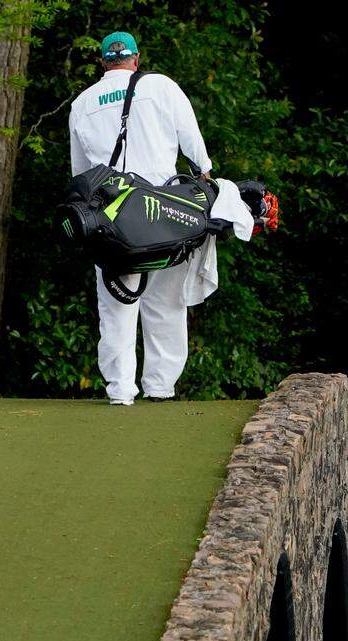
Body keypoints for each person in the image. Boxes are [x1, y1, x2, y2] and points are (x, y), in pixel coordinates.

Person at [68, 30, 213, 406]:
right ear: (136, 59)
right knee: (164, 300)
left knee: (116, 304)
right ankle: (161, 386)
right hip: (162, 210)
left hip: (112, 215)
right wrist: (206, 180)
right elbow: (192, 142)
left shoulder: (83, 102)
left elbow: (82, 173)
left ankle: (120, 389)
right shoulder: (160, 86)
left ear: (103, 62)